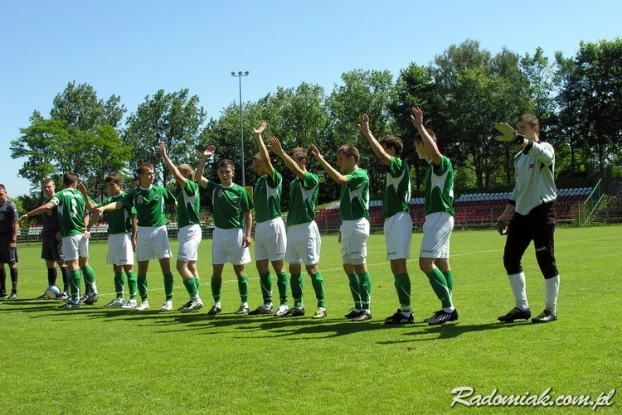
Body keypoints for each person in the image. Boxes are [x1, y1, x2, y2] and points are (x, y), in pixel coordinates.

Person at [494, 114, 560, 324]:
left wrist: (520, 140)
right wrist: (506, 214)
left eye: (522, 128)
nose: (519, 131)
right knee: (510, 259)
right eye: (517, 128)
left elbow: (544, 156)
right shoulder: (518, 158)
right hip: (521, 214)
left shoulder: (546, 148)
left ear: (535, 128)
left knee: (545, 260)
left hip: (542, 211)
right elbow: (518, 188)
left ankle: (550, 310)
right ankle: (522, 307)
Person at [92, 163, 177, 312]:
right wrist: (104, 208)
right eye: (149, 173)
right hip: (143, 232)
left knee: (165, 267)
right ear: (141, 176)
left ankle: (168, 300)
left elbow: (176, 203)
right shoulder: (135, 193)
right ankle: (144, 301)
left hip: (160, 231)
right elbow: (118, 204)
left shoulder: (161, 190)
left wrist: (183, 213)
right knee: (142, 270)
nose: (152, 176)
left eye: (153, 173)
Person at [358, 114, 414, 324]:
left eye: (383, 147)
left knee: (399, 266)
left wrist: (367, 133)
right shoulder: (394, 169)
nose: (380, 151)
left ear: (391, 149)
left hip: (399, 218)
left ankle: (407, 312)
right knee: (395, 267)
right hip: (393, 219)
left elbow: (381, 155)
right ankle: (404, 310)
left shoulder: (398, 164)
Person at [310, 143, 372, 322]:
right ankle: (358, 305)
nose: (339, 163)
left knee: (360, 267)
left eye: (341, 159)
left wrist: (321, 159)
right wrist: (342, 230)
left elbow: (339, 179)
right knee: (348, 267)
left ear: (352, 159)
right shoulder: (351, 177)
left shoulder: (360, 174)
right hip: (348, 226)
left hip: (357, 225)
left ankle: (366, 308)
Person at [19, 172, 99, 309]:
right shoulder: (81, 195)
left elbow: (47, 207)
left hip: (70, 234)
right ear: (75, 182)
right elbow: (96, 210)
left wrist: (28, 214)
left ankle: (74, 299)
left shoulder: (61, 194)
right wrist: (88, 227)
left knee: (73, 266)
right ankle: (93, 292)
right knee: (84, 263)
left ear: (63, 183)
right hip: (82, 234)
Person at [269, 136, 327, 319]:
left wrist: (281, 153)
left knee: (311, 268)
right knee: (294, 269)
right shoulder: (294, 182)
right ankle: (298, 305)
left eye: (293, 160)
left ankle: (322, 306)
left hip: (306, 228)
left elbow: (297, 171)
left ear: (302, 161)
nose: (290, 164)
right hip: (292, 229)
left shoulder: (310, 178)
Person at [411, 107, 459, 325]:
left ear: (423, 143)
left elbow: (437, 153)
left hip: (440, 216)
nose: (416, 149)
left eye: (417, 144)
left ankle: (449, 307)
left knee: (425, 263)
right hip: (439, 217)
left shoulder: (441, 163)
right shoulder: (431, 167)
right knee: (442, 263)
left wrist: (421, 127)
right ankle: (447, 306)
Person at [195, 150, 254, 315]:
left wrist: (248, 234)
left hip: (236, 234)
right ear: (218, 173)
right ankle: (217, 303)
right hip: (219, 234)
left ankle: (244, 303)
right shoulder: (215, 188)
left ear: (233, 172)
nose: (224, 174)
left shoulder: (240, 191)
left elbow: (248, 213)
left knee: (239, 270)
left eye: (227, 171)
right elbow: (198, 177)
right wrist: (205, 158)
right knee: (216, 271)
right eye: (221, 172)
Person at [247, 123, 289, 316]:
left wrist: (258, 137)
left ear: (265, 164)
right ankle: (267, 303)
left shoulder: (275, 178)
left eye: (257, 166)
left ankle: (284, 303)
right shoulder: (259, 181)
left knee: (277, 265)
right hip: (261, 226)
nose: (255, 170)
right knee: (261, 265)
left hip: (273, 225)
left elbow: (266, 158)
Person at [159, 142, 203, 312]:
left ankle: (195, 298)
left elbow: (177, 176)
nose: (175, 173)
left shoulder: (191, 187)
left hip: (191, 230)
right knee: (191, 266)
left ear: (187, 173)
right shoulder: (186, 191)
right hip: (188, 230)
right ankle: (195, 298)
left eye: (180, 170)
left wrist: (165, 157)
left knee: (181, 266)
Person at [83, 174, 139, 309]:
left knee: (128, 268)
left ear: (119, 183)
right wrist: (85, 194)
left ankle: (133, 298)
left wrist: (133, 238)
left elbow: (134, 218)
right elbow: (93, 209)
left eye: (112, 185)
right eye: (107, 185)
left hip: (124, 235)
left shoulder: (126, 198)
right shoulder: (108, 199)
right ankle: (119, 297)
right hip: (113, 236)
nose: (109, 188)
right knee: (116, 268)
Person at [37, 179, 70, 300]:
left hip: (57, 236)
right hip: (47, 235)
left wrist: (61, 231)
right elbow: (47, 220)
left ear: (54, 187)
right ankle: (51, 289)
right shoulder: (45, 201)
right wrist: (42, 231)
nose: (47, 189)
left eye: (49, 187)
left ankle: (67, 291)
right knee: (49, 263)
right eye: (45, 187)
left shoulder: (59, 200)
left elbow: (65, 217)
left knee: (62, 262)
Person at [0, 184, 19, 300]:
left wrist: (13, 239)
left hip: (8, 237)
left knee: (11, 263)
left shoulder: (10, 206)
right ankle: (2, 291)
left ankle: (14, 291)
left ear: (5, 193)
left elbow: (16, 223)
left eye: (1, 194)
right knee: (0, 264)